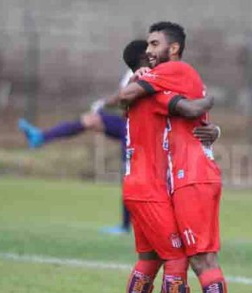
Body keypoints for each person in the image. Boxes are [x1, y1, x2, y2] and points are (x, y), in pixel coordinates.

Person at [118, 21, 238, 293]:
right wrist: (210, 117)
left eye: (155, 44)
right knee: (173, 259)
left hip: (188, 179)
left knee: (190, 259)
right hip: (167, 182)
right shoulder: (153, 84)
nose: (152, 52)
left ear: (172, 49)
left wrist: (213, 126)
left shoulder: (173, 74)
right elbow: (189, 110)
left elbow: (192, 112)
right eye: (147, 49)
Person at [18, 40, 220, 235]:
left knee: (135, 174)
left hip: (144, 131)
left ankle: (134, 224)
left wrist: (105, 102)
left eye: (155, 45)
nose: (152, 50)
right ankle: (41, 137)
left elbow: (124, 95)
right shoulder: (142, 72)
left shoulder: (155, 73)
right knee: (92, 121)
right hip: (131, 125)